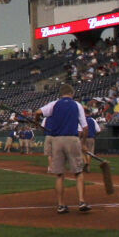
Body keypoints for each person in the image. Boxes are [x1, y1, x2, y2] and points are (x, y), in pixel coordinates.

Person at [41, 83, 90, 215]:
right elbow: (85, 128)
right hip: (72, 139)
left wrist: (37, 123)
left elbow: (38, 112)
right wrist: (83, 143)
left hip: (57, 140)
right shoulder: (77, 105)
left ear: (61, 93)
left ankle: (61, 205)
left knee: (59, 175)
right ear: (72, 93)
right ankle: (81, 201)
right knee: (78, 172)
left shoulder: (54, 104)